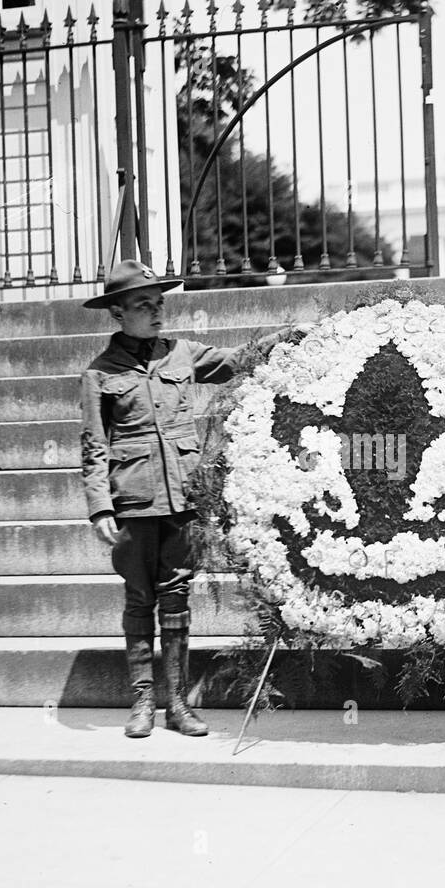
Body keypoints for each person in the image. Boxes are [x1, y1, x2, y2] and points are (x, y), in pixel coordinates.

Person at [79, 259, 310, 738]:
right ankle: (142, 702)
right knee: (139, 600)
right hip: (134, 501)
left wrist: (286, 337)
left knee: (178, 599)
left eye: (159, 302)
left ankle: (178, 704)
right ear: (117, 314)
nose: (156, 311)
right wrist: (100, 504)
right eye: (143, 304)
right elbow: (93, 444)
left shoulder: (183, 353)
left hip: (184, 498)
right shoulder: (99, 374)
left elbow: (236, 361)